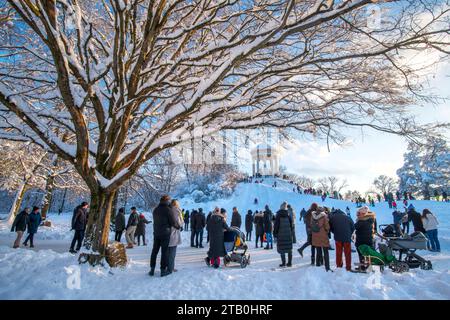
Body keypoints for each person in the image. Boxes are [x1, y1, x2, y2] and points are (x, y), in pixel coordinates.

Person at [149, 195, 179, 277]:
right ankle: (163, 270)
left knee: (154, 251)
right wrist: (179, 227)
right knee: (164, 252)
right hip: (165, 234)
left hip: (156, 233)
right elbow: (173, 223)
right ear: (167, 200)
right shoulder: (168, 210)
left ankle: (152, 269)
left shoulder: (155, 209)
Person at [274, 202, 294, 267]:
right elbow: (292, 225)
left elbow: (276, 226)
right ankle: (290, 263)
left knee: (282, 248)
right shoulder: (288, 215)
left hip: (281, 234)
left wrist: (275, 234)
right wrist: (290, 232)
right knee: (289, 248)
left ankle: (283, 263)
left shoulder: (278, 215)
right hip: (288, 234)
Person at [311, 207, 331, 272]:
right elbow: (327, 227)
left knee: (318, 251)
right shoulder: (324, 216)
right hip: (323, 236)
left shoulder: (312, 216)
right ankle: (327, 268)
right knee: (325, 252)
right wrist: (327, 231)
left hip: (315, 236)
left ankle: (317, 266)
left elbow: (311, 225)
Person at [168, 199, 183, 272]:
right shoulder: (176, 210)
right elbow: (179, 222)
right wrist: (180, 225)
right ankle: (171, 268)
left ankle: (168, 266)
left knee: (168, 251)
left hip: (167, 232)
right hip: (174, 232)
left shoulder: (168, 209)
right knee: (172, 251)